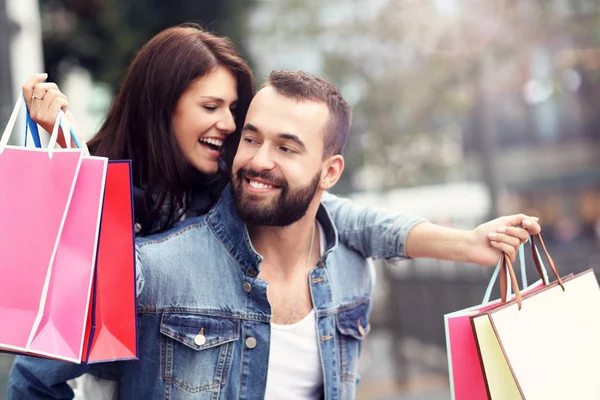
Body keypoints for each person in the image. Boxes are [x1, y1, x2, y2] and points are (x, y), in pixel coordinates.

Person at [9, 66, 540, 399]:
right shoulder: (150, 267)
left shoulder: (349, 266)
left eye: (286, 147)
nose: (258, 160)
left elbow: (357, 221)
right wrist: (55, 142)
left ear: (329, 173)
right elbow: (34, 379)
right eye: (252, 138)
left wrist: (469, 244)